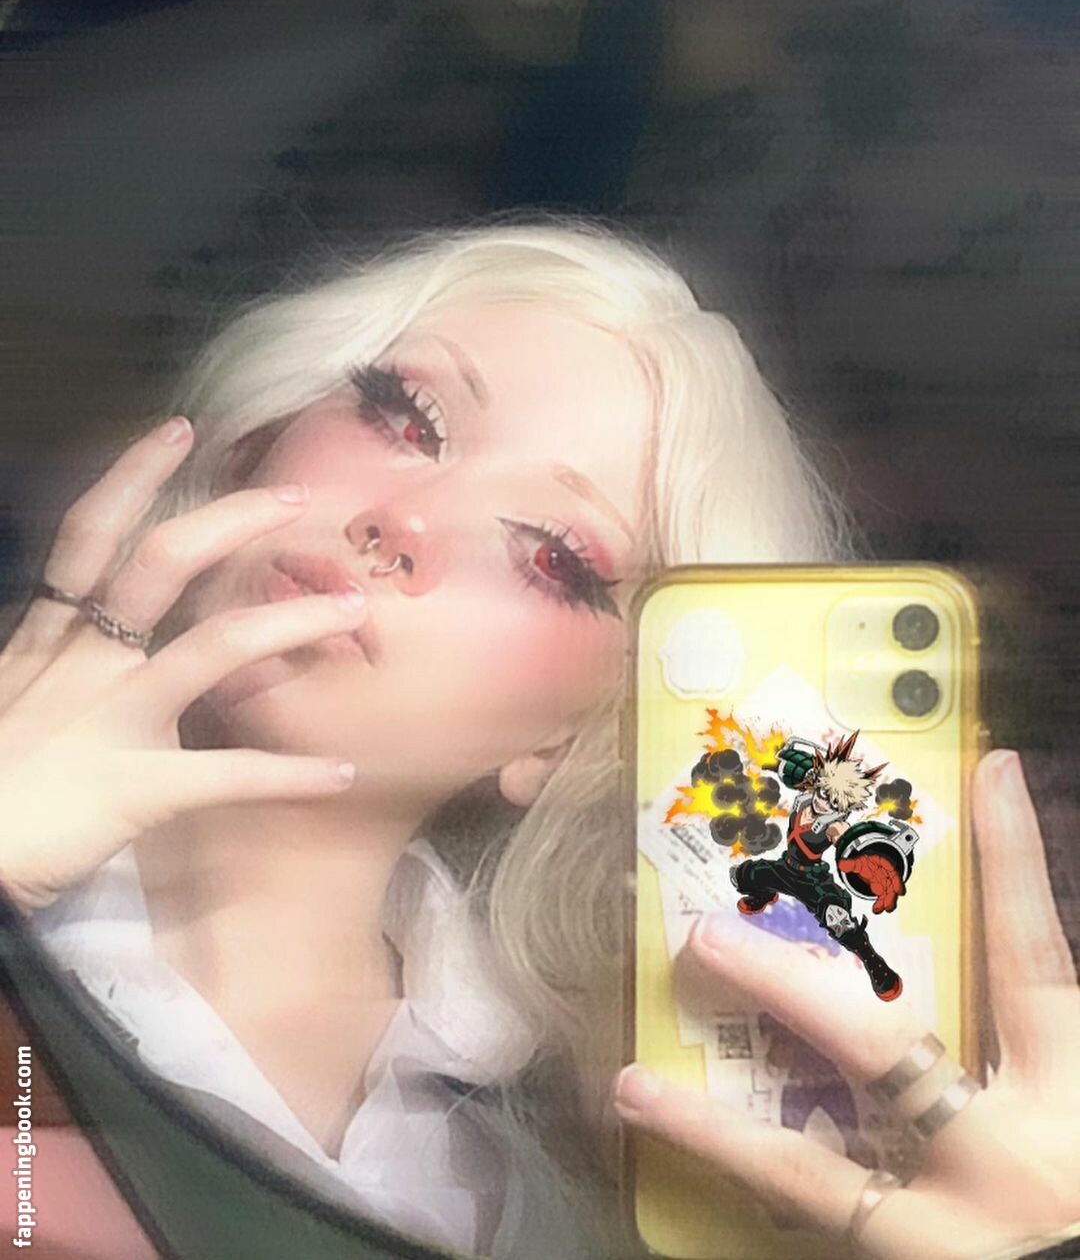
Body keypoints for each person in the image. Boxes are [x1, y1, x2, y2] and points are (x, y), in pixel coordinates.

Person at [0, 220, 1075, 1259]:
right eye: (407, 417)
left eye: (555, 556)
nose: (409, 520)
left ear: (567, 742)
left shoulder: (553, 1196)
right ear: (254, 446)